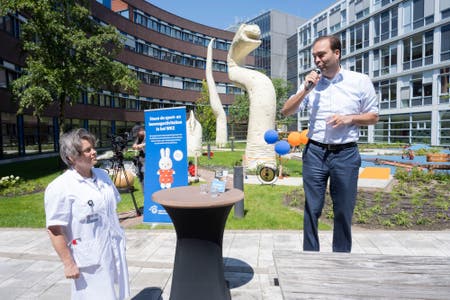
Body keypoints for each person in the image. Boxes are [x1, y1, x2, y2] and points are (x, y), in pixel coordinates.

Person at [281, 35, 379, 253]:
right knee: (312, 209)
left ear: (337, 53)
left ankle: (341, 259)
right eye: (314, 56)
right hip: (315, 152)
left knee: (344, 210)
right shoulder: (310, 84)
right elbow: (286, 111)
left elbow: (373, 116)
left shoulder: (359, 81)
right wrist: (305, 89)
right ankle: (310, 256)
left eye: (321, 54)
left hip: (345, 154)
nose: (317, 60)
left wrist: (350, 118)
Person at [44, 128, 129, 299]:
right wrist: (68, 264)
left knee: (118, 294)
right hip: (89, 258)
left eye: (93, 147)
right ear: (71, 157)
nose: (94, 152)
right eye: (87, 150)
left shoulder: (103, 176)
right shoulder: (60, 187)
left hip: (113, 249)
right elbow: (54, 230)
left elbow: (111, 211)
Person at [132, 125, 145, 192]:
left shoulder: (148, 136)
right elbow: (134, 145)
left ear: (141, 130)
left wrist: (142, 145)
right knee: (141, 179)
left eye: (137, 134)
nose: (137, 136)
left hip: (146, 162)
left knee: (146, 179)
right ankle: (145, 195)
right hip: (140, 162)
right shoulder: (139, 137)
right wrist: (135, 146)